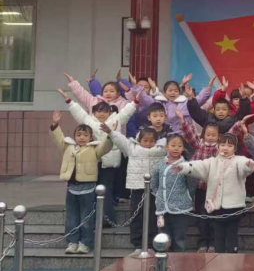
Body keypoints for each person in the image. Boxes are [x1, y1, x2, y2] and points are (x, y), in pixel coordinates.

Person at [58, 89, 137, 226]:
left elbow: (126, 112)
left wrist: (135, 102)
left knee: (106, 190)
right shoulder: (89, 121)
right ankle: (93, 219)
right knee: (93, 191)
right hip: (93, 162)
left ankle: (106, 220)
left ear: (110, 112)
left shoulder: (116, 120)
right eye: (99, 111)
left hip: (109, 163)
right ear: (93, 112)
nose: (102, 114)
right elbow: (79, 112)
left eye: (105, 111)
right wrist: (69, 100)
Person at [176, 134, 254, 253]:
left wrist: (249, 165)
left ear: (235, 148)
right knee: (218, 234)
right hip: (216, 207)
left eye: (230, 146)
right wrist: (184, 167)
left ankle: (232, 255)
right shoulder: (212, 162)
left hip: (234, 207)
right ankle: (218, 255)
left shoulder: (238, 160)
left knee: (232, 235)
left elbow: (245, 165)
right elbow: (198, 166)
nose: (225, 148)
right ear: (218, 147)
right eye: (222, 145)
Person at [178, 109, 243, 252]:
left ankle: (213, 243)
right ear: (204, 135)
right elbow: (189, 135)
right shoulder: (199, 144)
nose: (211, 137)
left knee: (215, 216)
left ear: (218, 136)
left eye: (214, 135)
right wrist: (182, 121)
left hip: (216, 189)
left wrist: (239, 124)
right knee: (202, 215)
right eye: (208, 134)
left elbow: (231, 134)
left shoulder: (220, 148)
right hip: (200, 188)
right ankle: (203, 242)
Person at [50, 111, 112, 254]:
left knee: (86, 217)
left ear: (91, 137)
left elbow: (106, 146)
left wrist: (110, 134)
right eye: (78, 135)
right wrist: (55, 124)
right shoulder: (68, 147)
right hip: (72, 187)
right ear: (74, 136)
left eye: (85, 135)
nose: (82, 137)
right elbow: (58, 138)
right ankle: (72, 242)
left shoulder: (94, 149)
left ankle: (85, 243)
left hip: (88, 188)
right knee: (71, 216)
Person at [105, 125, 166, 253]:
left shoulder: (160, 150)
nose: (148, 144)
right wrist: (111, 131)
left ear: (156, 141)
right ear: (139, 140)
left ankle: (151, 244)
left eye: (151, 141)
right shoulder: (132, 148)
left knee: (153, 217)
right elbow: (121, 140)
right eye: (145, 141)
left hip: (154, 189)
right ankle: (137, 244)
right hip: (137, 188)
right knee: (136, 216)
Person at [150, 135, 197, 252]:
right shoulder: (160, 164)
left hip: (181, 206)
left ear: (183, 148)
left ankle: (179, 258)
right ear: (167, 147)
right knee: (164, 236)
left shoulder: (186, 165)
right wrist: (159, 196)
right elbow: (154, 183)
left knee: (179, 236)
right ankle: (164, 259)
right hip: (163, 206)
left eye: (179, 146)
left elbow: (191, 185)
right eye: (173, 145)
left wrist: (187, 197)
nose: (176, 148)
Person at [130, 78, 212, 135]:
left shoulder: (186, 102)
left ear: (179, 92)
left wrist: (208, 87)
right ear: (164, 92)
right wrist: (135, 86)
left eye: (176, 91)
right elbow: (145, 99)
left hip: (183, 137)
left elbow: (200, 99)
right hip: (163, 137)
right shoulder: (159, 102)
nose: (173, 93)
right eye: (170, 90)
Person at [186, 82, 252, 134]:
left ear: (229, 111)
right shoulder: (207, 118)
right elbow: (196, 112)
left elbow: (243, 113)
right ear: (214, 111)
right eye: (218, 109)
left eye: (224, 109)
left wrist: (244, 98)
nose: (221, 111)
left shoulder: (233, 120)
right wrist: (190, 98)